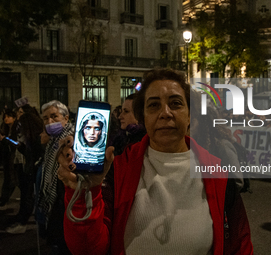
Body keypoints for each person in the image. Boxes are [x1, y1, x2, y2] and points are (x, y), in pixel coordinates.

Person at [57, 68, 253, 254]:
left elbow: (240, 245)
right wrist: (84, 194)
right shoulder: (117, 170)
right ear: (143, 117)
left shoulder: (218, 173)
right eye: (154, 105)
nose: (165, 113)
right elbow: (88, 249)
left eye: (176, 103)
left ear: (190, 115)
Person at [37, 100, 74, 254]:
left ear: (66, 118)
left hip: (66, 203)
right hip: (57, 204)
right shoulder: (53, 140)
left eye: (54, 116)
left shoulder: (72, 140)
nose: (49, 122)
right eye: (45, 119)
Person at [6, 112, 44, 234]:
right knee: (26, 195)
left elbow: (32, 154)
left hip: (32, 170)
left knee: (29, 196)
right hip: (27, 169)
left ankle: (23, 223)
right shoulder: (28, 135)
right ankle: (22, 219)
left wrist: (21, 147)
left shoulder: (36, 137)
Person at [0, 109, 20, 209]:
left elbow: (16, 143)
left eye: (8, 117)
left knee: (14, 180)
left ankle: (4, 199)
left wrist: (5, 139)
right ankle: (3, 199)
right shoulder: (5, 128)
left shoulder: (17, 128)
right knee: (8, 179)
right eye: (5, 117)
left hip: (16, 158)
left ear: (14, 117)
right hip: (7, 157)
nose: (6, 119)